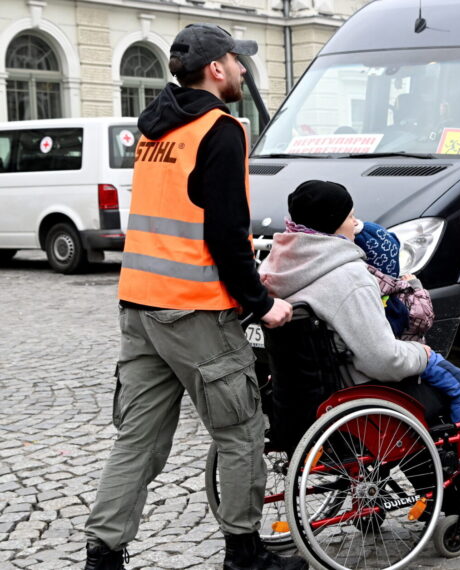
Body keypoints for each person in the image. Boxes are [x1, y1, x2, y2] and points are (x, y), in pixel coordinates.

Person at [84, 23, 303, 570]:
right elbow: (224, 233)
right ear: (216, 68)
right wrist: (260, 303)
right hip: (195, 310)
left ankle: (103, 556)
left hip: (139, 305)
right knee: (241, 431)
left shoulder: (157, 128)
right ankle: (245, 554)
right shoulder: (220, 129)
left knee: (138, 440)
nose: (244, 70)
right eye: (237, 60)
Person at [258, 180, 460, 426]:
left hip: (301, 395)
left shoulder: (275, 268)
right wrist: (422, 354)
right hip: (356, 391)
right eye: (351, 217)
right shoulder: (349, 278)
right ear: (332, 224)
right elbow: (383, 360)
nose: (356, 225)